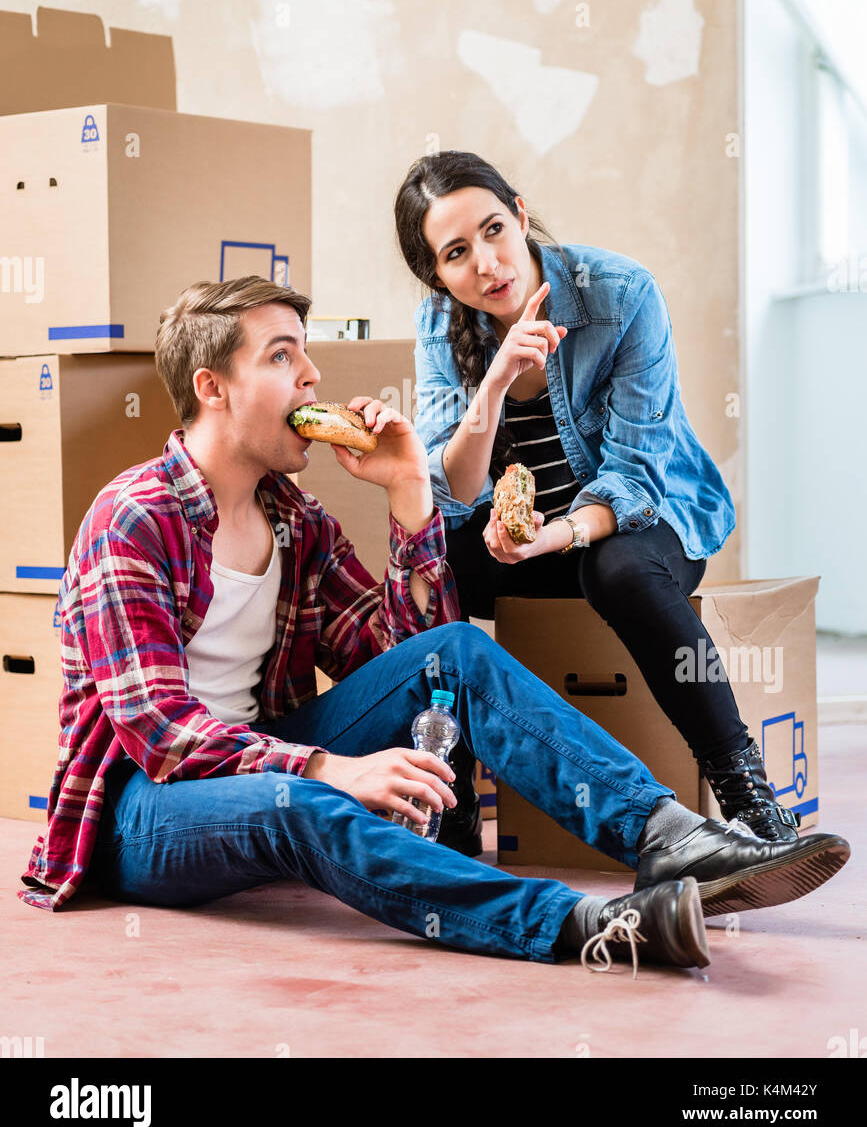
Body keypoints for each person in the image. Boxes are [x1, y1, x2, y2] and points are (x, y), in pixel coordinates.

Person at [17, 276, 849, 977]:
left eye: (306, 351)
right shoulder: (134, 517)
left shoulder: (295, 523)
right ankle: (581, 927)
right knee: (299, 801)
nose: (310, 375)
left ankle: (665, 835)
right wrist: (329, 768)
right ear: (211, 386)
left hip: (261, 749)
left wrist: (412, 495)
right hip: (138, 810)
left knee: (454, 653)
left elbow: (415, 665)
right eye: (280, 356)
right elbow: (160, 735)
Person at [395, 150, 820, 852]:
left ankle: (747, 795)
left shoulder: (619, 294)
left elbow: (634, 476)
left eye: (495, 230)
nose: (487, 263)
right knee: (425, 564)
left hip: (639, 523)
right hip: (521, 538)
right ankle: (452, 794)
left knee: (615, 569)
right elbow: (453, 490)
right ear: (435, 272)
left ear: (521, 215)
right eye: (457, 253)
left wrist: (555, 534)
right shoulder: (441, 324)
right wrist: (495, 383)